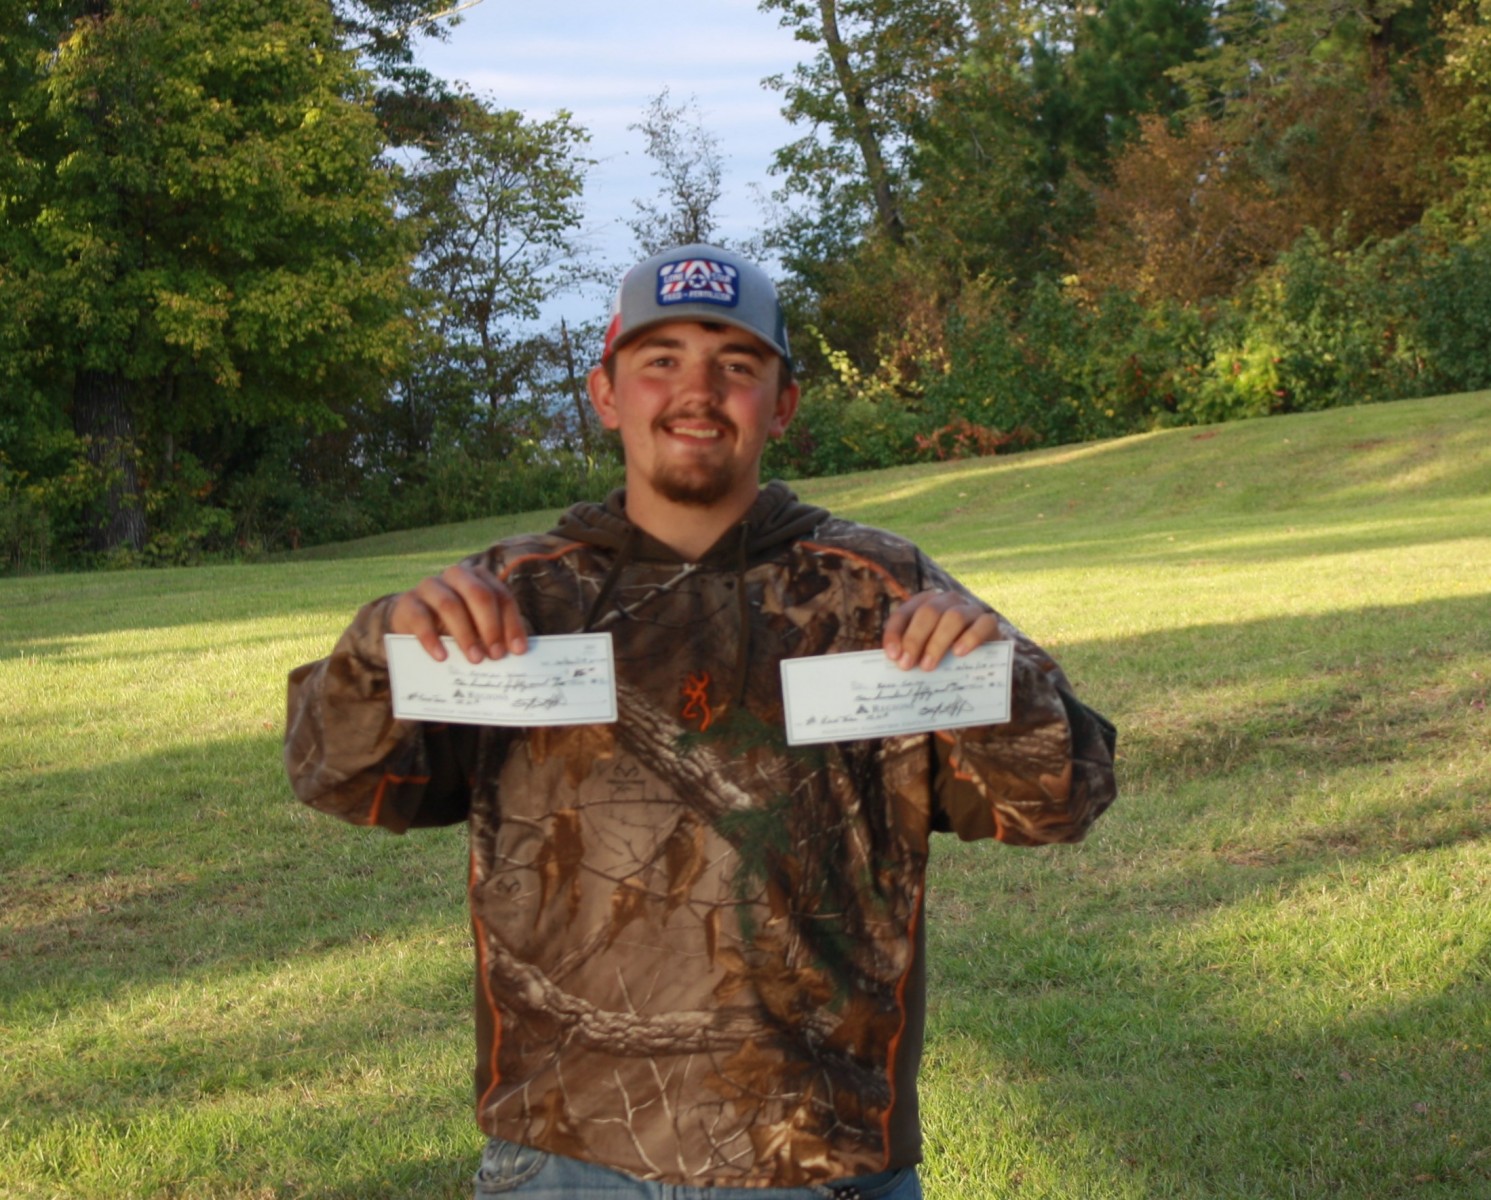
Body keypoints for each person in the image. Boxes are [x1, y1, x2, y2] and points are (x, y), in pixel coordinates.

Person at [284, 244, 1117, 1200]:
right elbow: (340, 780)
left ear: (782, 403)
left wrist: (998, 683)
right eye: (661, 359)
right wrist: (377, 652)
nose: (696, 391)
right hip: (564, 1153)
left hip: (819, 1153)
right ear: (605, 394)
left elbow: (1057, 805)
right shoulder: (514, 599)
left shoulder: (877, 589)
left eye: (735, 363)